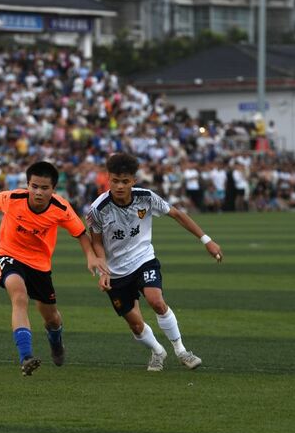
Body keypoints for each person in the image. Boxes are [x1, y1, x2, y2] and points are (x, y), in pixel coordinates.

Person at [0, 161, 108, 376]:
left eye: (44, 188)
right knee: (19, 297)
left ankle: (56, 341)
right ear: (27, 185)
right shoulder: (12, 198)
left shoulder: (61, 208)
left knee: (52, 317)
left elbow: (80, 234)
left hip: (40, 264)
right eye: (34, 186)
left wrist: (90, 256)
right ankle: (26, 357)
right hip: (8, 255)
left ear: (53, 189)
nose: (38, 192)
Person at [86, 153, 223, 372]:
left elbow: (177, 214)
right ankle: (158, 351)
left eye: (125, 181)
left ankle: (181, 351)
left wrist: (207, 240)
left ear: (134, 181)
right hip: (116, 271)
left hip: (143, 259)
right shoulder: (97, 210)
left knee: (156, 301)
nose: (119, 186)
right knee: (136, 324)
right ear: (107, 179)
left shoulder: (146, 197)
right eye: (114, 181)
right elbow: (97, 243)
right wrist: (103, 271)